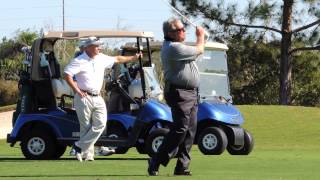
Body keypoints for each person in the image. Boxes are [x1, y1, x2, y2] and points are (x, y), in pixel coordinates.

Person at [64, 37, 142, 162]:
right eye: (97, 46)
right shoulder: (79, 60)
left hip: (98, 96)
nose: (100, 48)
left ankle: (78, 146)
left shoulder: (101, 57)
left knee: (100, 124)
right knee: (85, 127)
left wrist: (133, 58)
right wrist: (77, 90)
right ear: (88, 47)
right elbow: (67, 75)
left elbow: (117, 59)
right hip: (83, 97)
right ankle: (88, 155)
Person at [147, 18, 205, 176]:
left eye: (183, 29)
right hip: (179, 92)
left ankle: (182, 167)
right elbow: (200, 49)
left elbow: (196, 53)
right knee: (181, 128)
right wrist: (201, 35)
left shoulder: (180, 46)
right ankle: (156, 160)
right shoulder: (173, 48)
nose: (183, 31)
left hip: (191, 92)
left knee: (190, 130)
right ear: (169, 34)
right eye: (179, 30)